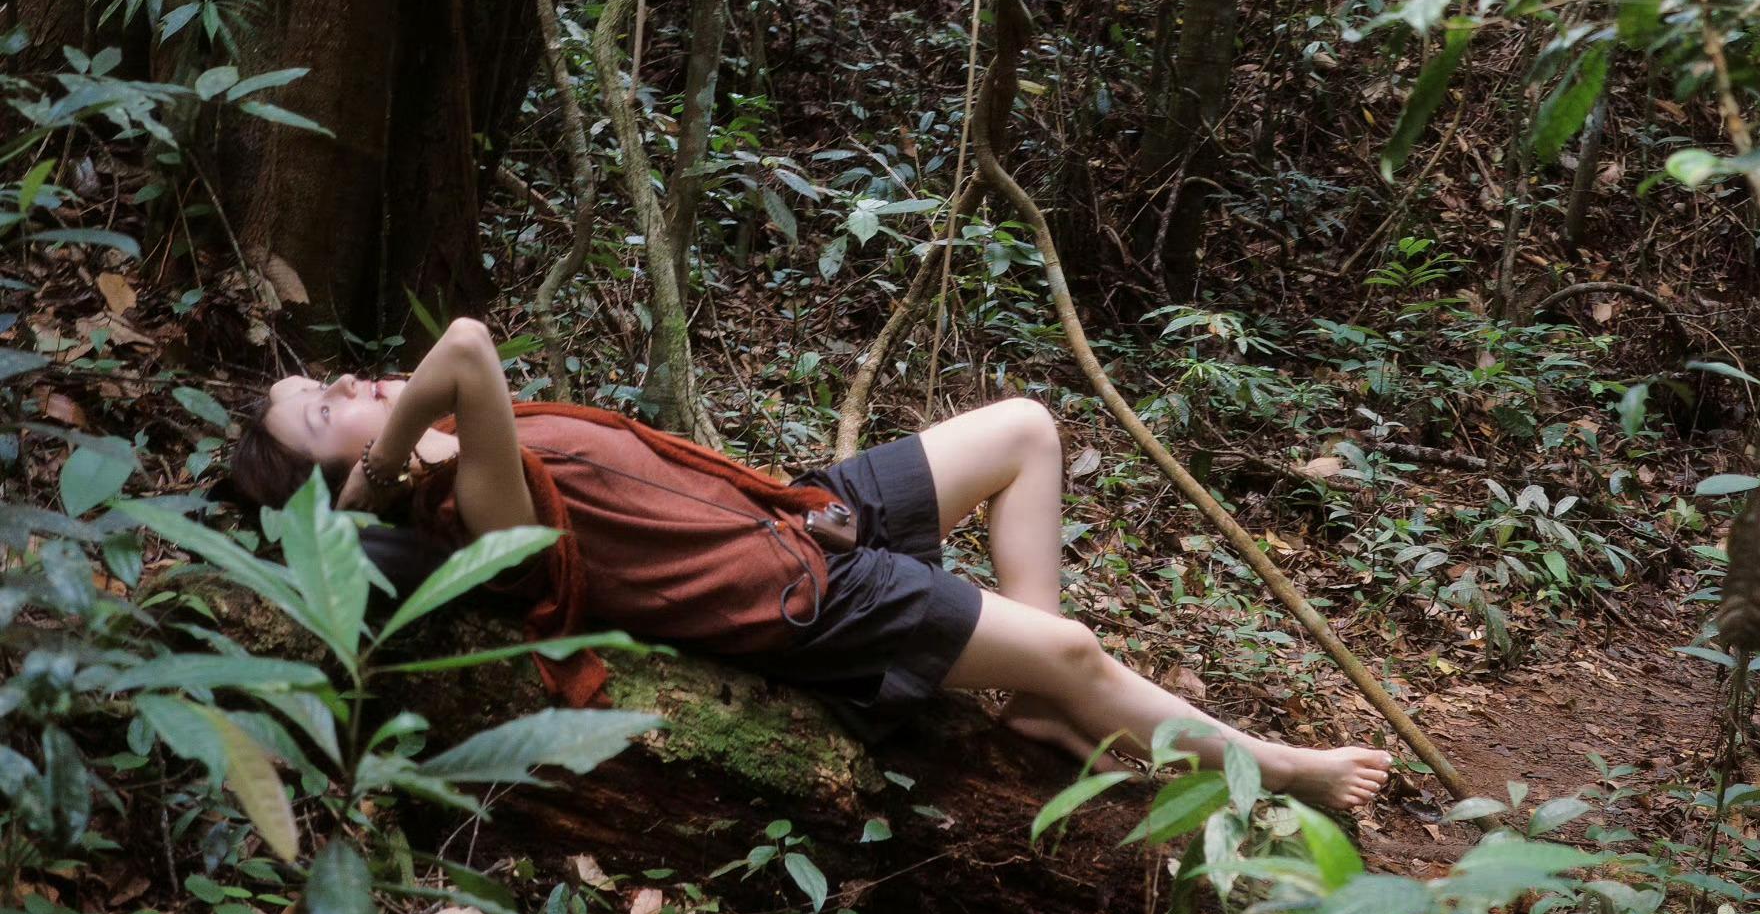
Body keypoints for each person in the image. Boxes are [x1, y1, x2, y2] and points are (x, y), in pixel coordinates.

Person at [231, 313, 1391, 812]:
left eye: (334, 376)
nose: (354, 387)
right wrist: (376, 476)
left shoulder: (472, 446)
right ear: (343, 476)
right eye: (326, 409)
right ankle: (1277, 765)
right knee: (1079, 647)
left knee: (1029, 426)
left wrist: (365, 444)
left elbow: (459, 368)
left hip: (796, 511)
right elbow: (465, 348)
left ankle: (1039, 705)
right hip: (806, 597)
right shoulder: (466, 501)